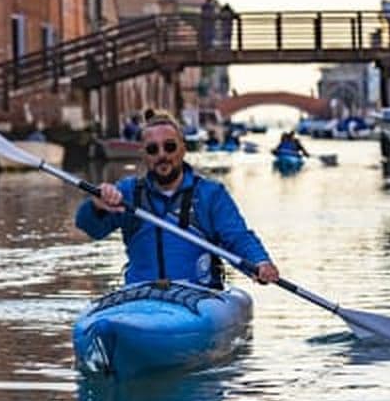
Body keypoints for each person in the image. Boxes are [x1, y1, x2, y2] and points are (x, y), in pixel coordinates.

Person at [75, 111, 279, 288]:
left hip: (199, 295)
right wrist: (96, 205)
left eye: (170, 146)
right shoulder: (127, 193)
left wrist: (259, 262)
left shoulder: (211, 194)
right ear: (144, 155)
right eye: (153, 149)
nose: (162, 155)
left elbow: (237, 238)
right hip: (141, 296)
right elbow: (90, 227)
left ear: (183, 148)